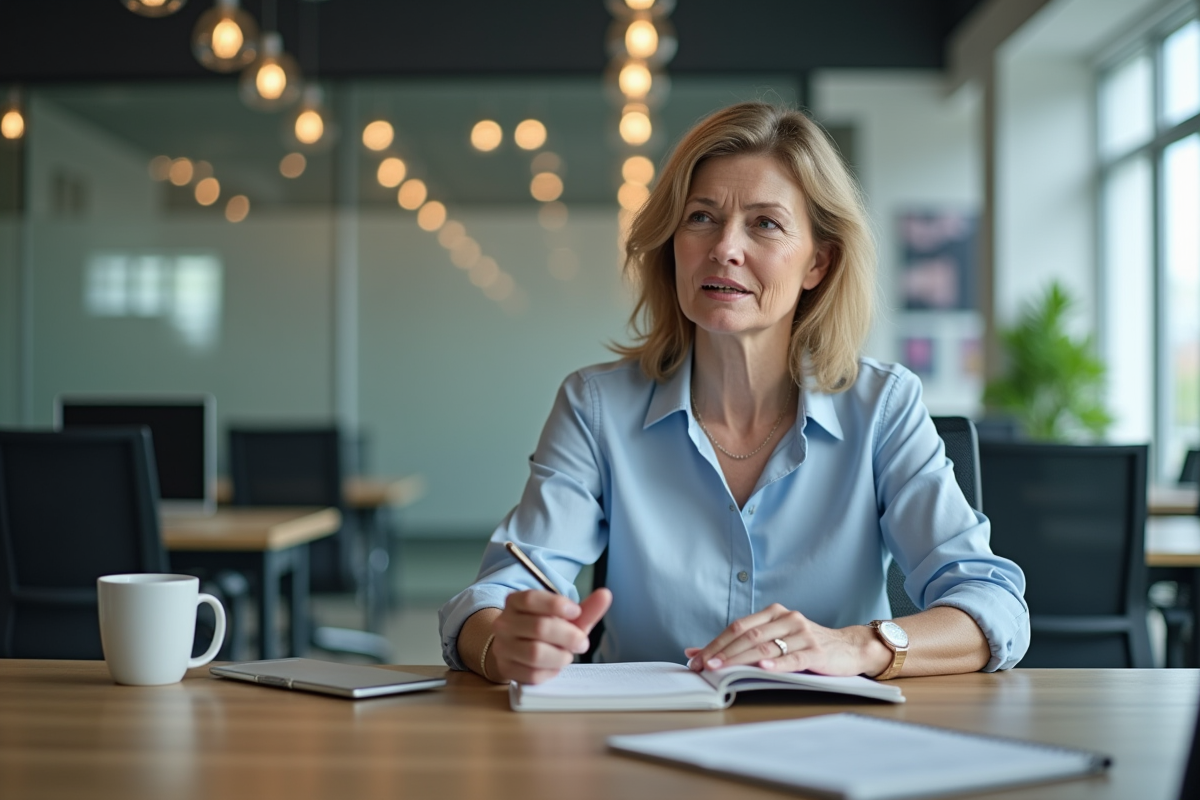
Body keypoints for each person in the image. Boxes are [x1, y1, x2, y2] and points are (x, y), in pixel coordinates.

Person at [439, 102, 1029, 686]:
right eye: (701, 217)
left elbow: (993, 606)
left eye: (765, 223)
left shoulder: (883, 406)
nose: (724, 247)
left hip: (832, 745)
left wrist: (858, 646)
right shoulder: (595, 407)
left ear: (817, 263)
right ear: (673, 243)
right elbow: (494, 596)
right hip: (643, 747)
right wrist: (502, 643)